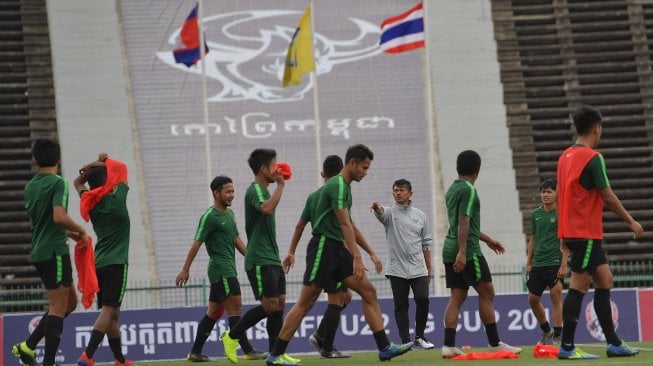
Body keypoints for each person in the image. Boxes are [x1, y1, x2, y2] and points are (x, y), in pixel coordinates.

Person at [266, 144, 413, 366]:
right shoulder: (338, 186)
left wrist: (370, 253)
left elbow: (350, 226)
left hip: (336, 249)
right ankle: (275, 355)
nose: (365, 172)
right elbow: (343, 223)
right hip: (323, 248)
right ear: (351, 163)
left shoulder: (345, 189)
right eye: (364, 167)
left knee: (368, 291)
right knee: (306, 303)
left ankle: (384, 347)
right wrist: (357, 256)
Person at [556, 105, 643, 359]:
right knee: (579, 285)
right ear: (597, 128)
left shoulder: (565, 157)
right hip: (585, 232)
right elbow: (607, 195)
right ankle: (567, 347)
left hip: (573, 231)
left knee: (605, 279)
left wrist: (562, 234)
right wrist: (631, 222)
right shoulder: (593, 158)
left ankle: (614, 343)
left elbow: (563, 196)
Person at [282, 155, 383, 358]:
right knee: (324, 300)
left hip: (334, 252)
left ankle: (323, 341)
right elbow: (347, 227)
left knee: (341, 297)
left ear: (322, 174)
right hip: (332, 253)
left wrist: (291, 251)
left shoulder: (314, 196)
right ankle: (318, 344)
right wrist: (358, 255)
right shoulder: (338, 191)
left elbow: (301, 226)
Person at [13, 138, 89, 366]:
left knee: (70, 304)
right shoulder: (58, 183)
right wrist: (81, 230)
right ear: (58, 158)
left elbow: (44, 222)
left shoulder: (30, 186)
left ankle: (27, 347)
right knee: (58, 306)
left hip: (41, 249)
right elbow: (58, 217)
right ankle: (48, 363)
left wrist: (69, 234)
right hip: (54, 252)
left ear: (34, 160)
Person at [175, 175, 267, 362]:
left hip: (228, 268)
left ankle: (195, 352)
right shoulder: (210, 217)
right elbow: (196, 244)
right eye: (228, 191)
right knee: (236, 308)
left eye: (233, 191)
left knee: (214, 313)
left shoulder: (229, 215)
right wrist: (185, 269)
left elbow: (236, 240)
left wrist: (253, 257)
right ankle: (248, 350)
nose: (232, 195)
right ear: (216, 193)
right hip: (221, 269)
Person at [441, 150, 522, 358]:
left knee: (457, 297)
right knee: (487, 293)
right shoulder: (469, 189)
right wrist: (463, 252)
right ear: (477, 170)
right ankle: (495, 343)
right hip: (467, 251)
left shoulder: (452, 188)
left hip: (449, 249)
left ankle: (448, 345)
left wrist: (488, 240)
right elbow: (463, 222)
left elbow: (463, 223)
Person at [220, 148, 287, 364]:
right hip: (259, 258)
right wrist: (282, 184)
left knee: (279, 305)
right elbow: (266, 209)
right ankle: (231, 337)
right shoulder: (256, 190)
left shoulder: (265, 190)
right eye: (274, 165)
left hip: (272, 257)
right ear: (263, 169)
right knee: (269, 306)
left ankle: (275, 355)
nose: (277, 169)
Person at [73, 153, 135, 366]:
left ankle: (119, 360)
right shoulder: (117, 199)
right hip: (117, 263)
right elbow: (123, 167)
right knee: (109, 311)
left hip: (99, 263)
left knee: (112, 314)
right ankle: (88, 356)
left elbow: (77, 182)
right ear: (108, 180)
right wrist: (93, 163)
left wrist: (87, 173)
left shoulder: (89, 202)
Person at [371, 178, 434, 349]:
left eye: (401, 190)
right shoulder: (390, 213)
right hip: (396, 268)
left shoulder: (420, 215)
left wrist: (429, 268)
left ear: (410, 193)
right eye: (395, 190)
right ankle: (406, 341)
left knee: (423, 299)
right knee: (401, 305)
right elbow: (381, 212)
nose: (398, 193)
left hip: (418, 267)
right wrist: (377, 208)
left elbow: (426, 243)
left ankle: (420, 336)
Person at [525, 178, 566, 345]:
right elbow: (532, 240)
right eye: (543, 192)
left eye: (549, 191)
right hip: (538, 262)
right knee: (532, 299)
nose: (545, 195)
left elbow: (565, 240)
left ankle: (557, 336)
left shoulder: (561, 213)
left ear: (556, 193)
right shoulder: (536, 214)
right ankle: (546, 330)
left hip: (555, 261)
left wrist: (564, 264)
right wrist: (529, 262)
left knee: (555, 296)